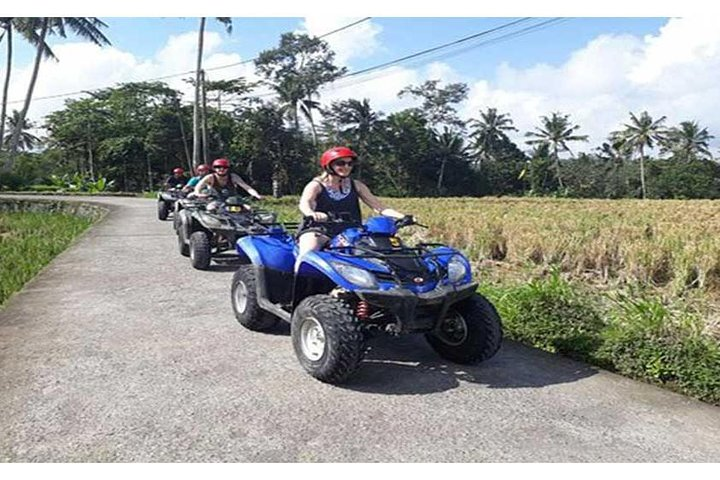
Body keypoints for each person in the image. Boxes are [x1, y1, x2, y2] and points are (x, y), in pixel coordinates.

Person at [296, 146, 409, 268]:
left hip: (351, 231)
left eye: (350, 164)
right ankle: (297, 283)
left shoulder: (356, 185)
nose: (346, 167)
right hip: (321, 229)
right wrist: (312, 214)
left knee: (384, 251)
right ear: (329, 165)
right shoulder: (316, 185)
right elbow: (305, 203)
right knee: (308, 254)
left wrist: (403, 217)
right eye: (341, 163)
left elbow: (379, 207)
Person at [194, 158, 263, 201]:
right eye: (218, 167)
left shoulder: (233, 177)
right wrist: (198, 194)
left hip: (233, 201)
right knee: (211, 208)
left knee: (248, 208)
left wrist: (256, 195)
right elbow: (198, 186)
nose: (221, 169)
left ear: (227, 168)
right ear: (214, 168)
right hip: (215, 201)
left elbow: (246, 187)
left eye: (224, 167)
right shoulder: (210, 177)